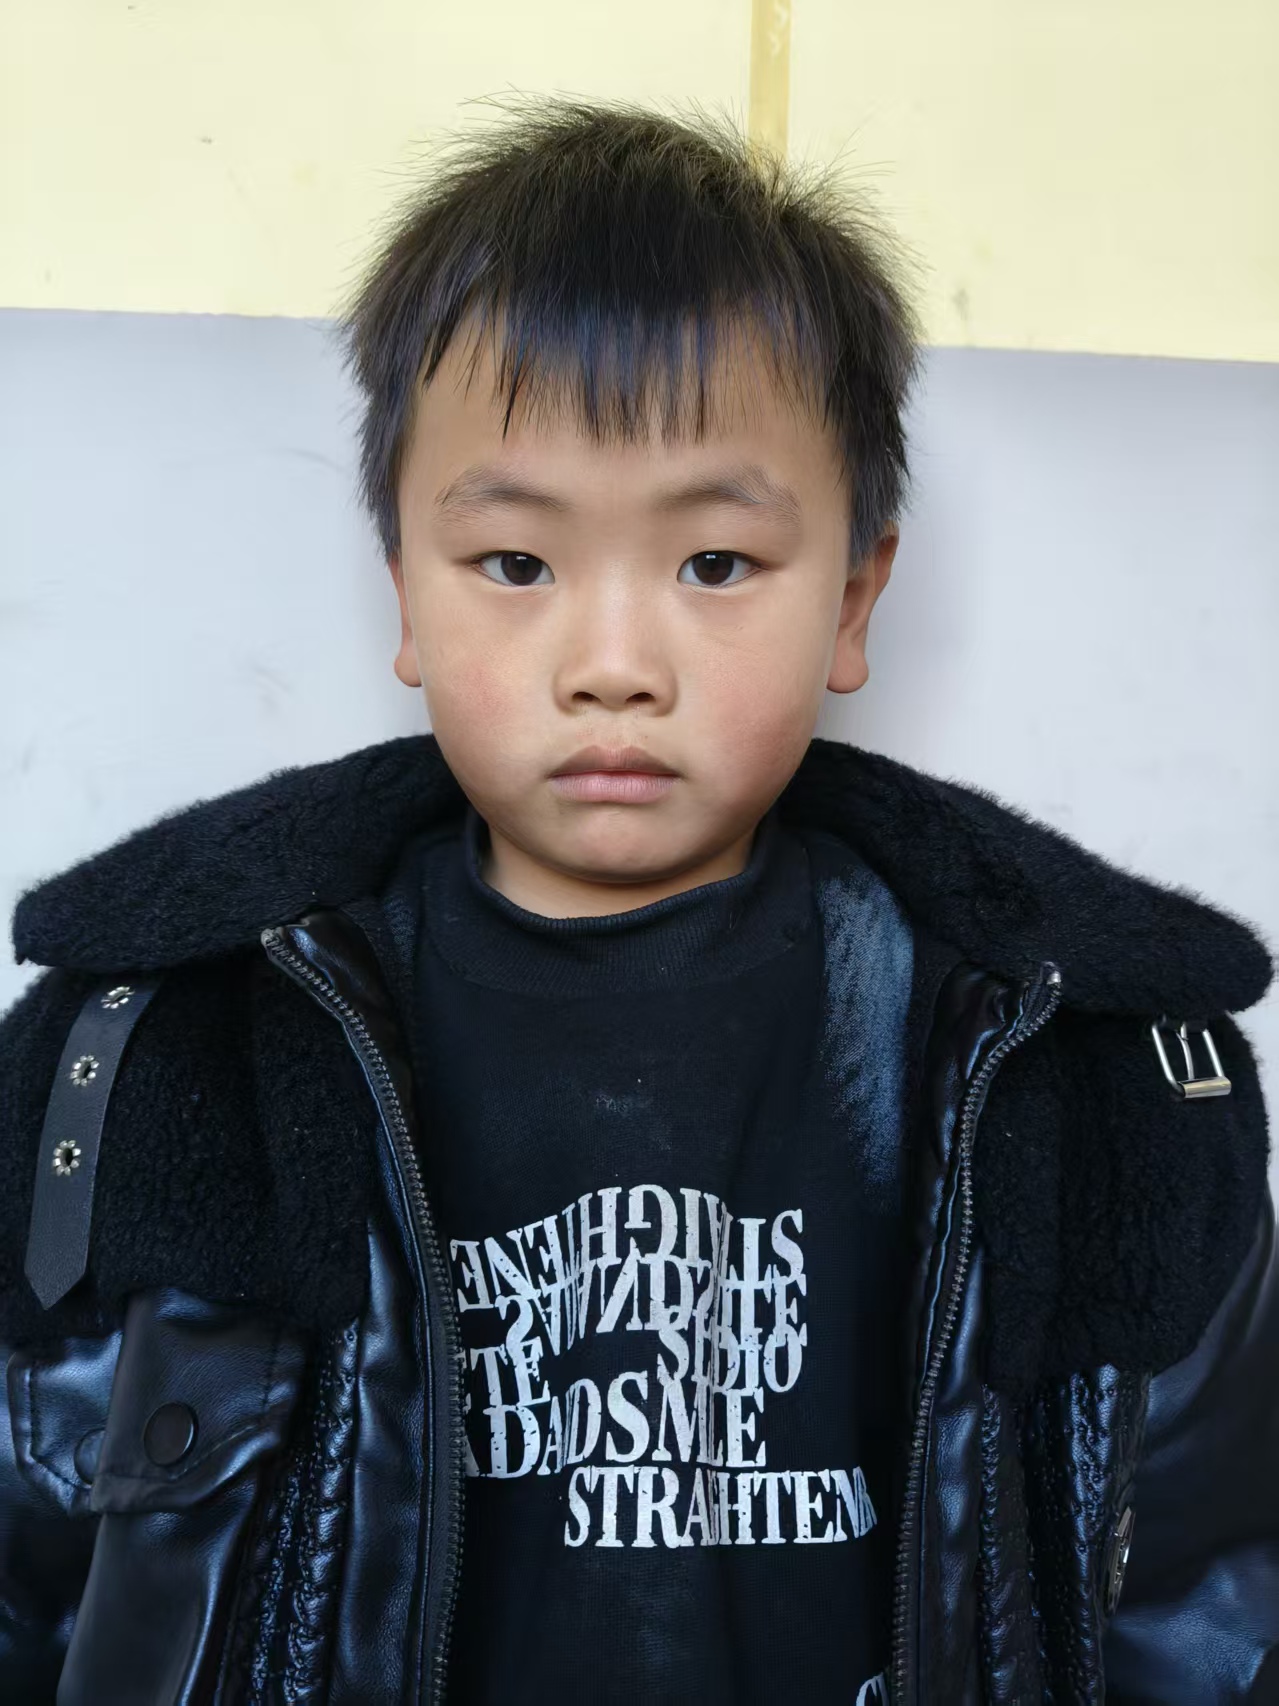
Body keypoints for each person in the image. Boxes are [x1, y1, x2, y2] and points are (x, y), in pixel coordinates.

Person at [1, 96, 1275, 1706]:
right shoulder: (157, 1046)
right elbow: (30, 1569)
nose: (613, 665)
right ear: (406, 593)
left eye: (715, 566)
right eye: (517, 565)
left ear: (854, 599)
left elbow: (1210, 1609)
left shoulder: (1088, 1074)